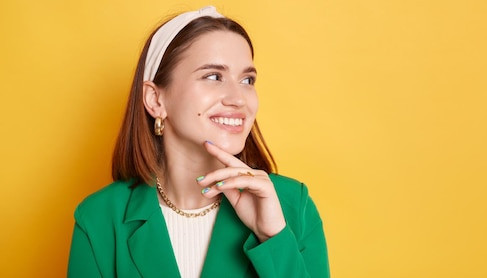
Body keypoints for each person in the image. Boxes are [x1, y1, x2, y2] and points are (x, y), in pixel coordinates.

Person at [68, 6, 329, 278]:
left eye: (247, 79)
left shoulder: (292, 206)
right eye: (214, 76)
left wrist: (273, 237)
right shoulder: (99, 218)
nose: (239, 99)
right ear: (156, 100)